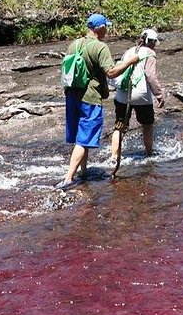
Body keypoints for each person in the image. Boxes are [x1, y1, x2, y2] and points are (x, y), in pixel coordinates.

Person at [57, 13, 139, 188]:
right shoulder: (100, 47)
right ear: (100, 28)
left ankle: (84, 173)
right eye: (106, 26)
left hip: (72, 95)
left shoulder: (74, 44)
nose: (107, 29)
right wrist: (130, 62)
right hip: (90, 97)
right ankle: (69, 178)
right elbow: (111, 72)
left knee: (80, 136)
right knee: (84, 139)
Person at [111, 28, 165, 164]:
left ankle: (114, 157)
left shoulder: (129, 51)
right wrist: (159, 94)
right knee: (147, 125)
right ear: (151, 42)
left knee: (119, 126)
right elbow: (151, 76)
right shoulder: (150, 53)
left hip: (122, 94)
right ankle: (149, 153)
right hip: (141, 96)